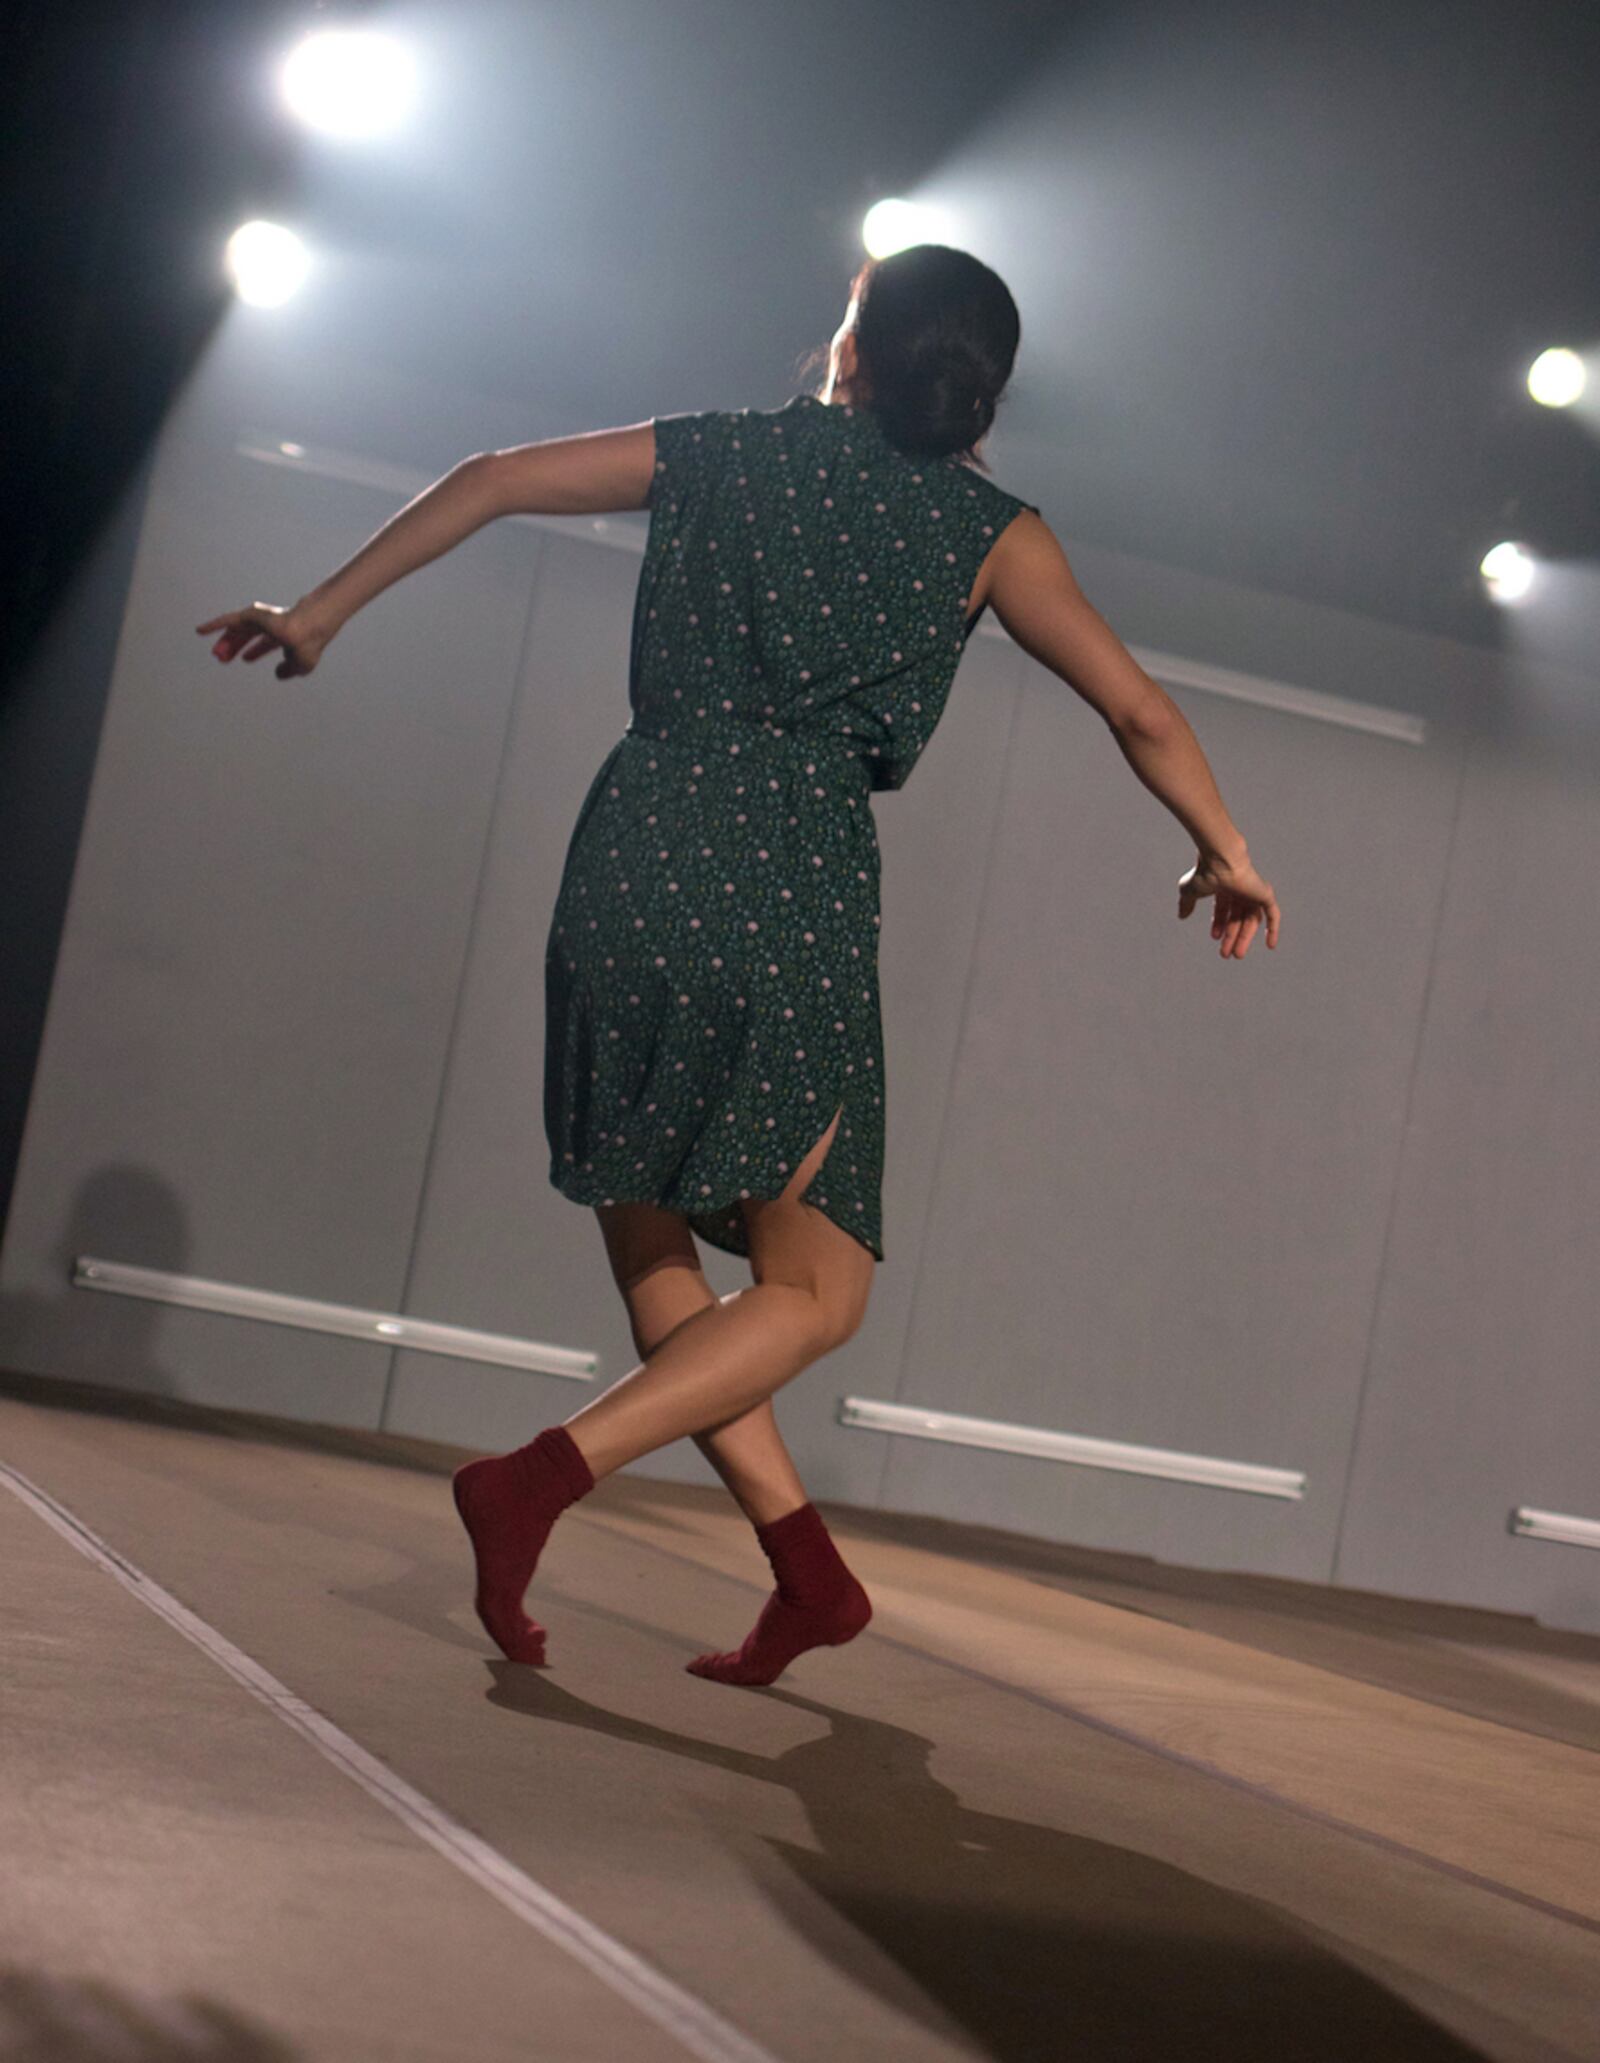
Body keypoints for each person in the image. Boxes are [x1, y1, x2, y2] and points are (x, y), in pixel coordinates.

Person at [196, 244, 1281, 1687]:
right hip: (791, 876)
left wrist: (321, 611)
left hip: (636, 843)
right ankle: (536, 1480)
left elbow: (493, 472)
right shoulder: (992, 534)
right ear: (979, 388)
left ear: (853, 352)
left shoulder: (717, 457)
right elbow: (1139, 712)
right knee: (815, 1294)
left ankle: (807, 1578)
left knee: (652, 1227)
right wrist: (1225, 844)